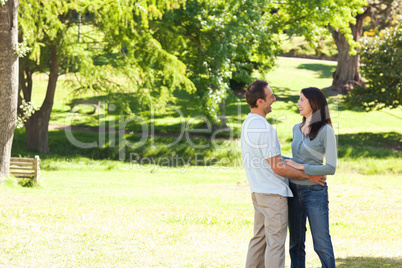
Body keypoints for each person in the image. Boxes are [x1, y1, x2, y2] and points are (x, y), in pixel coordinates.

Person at [240, 80, 326, 268]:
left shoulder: (247, 124)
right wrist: (309, 176)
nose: (274, 99)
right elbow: (278, 167)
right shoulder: (265, 129)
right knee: (275, 245)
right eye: (271, 97)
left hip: (258, 192)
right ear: (261, 101)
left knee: (258, 240)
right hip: (272, 196)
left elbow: (268, 160)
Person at [284, 87, 337, 268]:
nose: (298, 103)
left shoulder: (325, 130)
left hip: (314, 192)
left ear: (313, 103)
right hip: (293, 190)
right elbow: (293, 160)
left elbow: (330, 167)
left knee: (321, 244)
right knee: (295, 244)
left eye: (301, 100)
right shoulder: (296, 129)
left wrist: (301, 167)